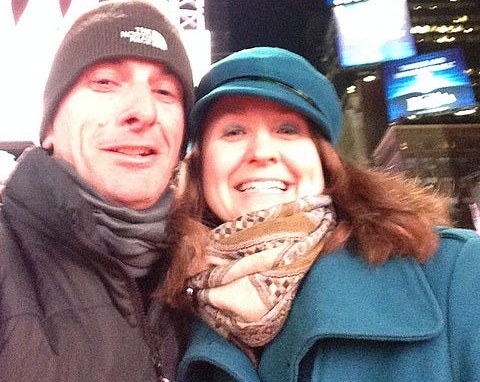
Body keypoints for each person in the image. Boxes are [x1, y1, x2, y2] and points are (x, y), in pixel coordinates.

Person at [162, 46, 480, 382]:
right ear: (200, 167)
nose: (262, 152)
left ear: (324, 161)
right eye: (234, 131)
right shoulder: (169, 308)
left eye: (287, 129)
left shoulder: (454, 271)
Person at [0, 0, 195, 382]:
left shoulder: (208, 278)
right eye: (105, 82)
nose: (143, 110)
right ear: (50, 129)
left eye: (165, 92)